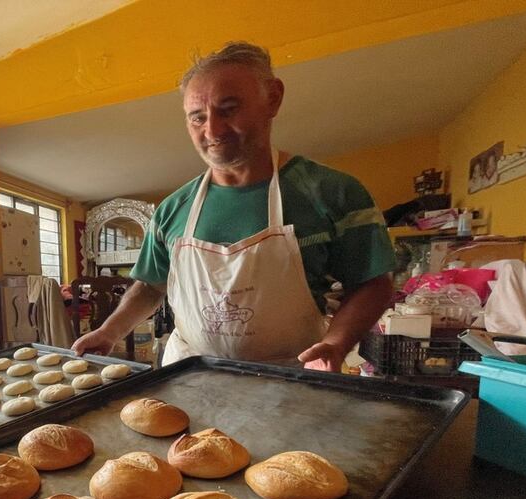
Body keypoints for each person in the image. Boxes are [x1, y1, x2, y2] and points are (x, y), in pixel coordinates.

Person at [72, 42, 396, 371]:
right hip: (189, 375)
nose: (212, 130)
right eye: (197, 118)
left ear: (272, 98)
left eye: (228, 110)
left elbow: (372, 283)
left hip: (292, 377)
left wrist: (335, 342)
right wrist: (110, 330)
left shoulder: (333, 194)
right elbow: (150, 286)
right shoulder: (172, 210)